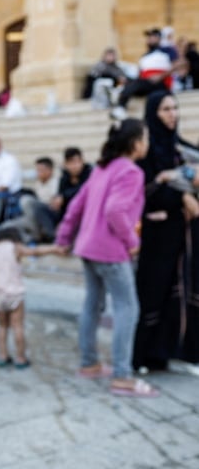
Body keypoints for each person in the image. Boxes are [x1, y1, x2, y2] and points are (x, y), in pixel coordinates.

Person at [56, 118, 159, 397]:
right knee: (128, 308)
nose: (147, 143)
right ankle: (123, 376)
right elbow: (115, 211)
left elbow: (77, 204)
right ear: (136, 143)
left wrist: (64, 236)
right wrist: (132, 241)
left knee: (93, 305)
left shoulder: (102, 168)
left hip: (88, 247)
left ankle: (89, 364)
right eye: (145, 138)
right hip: (110, 250)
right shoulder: (131, 171)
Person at [133, 91, 199, 372]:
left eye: (175, 108)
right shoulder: (146, 153)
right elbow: (145, 193)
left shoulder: (181, 148)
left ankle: (177, 349)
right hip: (158, 236)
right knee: (154, 292)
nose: (172, 114)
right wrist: (182, 197)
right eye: (165, 110)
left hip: (184, 234)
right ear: (153, 115)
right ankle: (146, 355)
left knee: (182, 291)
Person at [0, 227, 58, 368]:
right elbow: (35, 251)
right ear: (15, 238)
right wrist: (55, 248)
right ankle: (20, 358)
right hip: (14, 294)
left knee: (2, 326)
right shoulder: (16, 248)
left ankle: (3, 356)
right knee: (17, 326)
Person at [111, 28, 174, 120]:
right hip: (145, 83)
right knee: (129, 81)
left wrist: (160, 76)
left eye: (152, 37)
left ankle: (120, 105)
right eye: (148, 37)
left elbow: (180, 63)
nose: (150, 39)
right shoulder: (144, 56)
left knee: (138, 83)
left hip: (160, 84)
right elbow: (140, 74)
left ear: (159, 38)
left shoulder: (167, 51)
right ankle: (119, 94)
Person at [0, 157, 59, 243]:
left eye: (41, 170)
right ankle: (30, 238)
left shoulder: (57, 183)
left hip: (47, 216)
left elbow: (53, 205)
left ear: (50, 170)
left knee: (26, 201)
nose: (38, 173)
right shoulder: (38, 183)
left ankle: (38, 234)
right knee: (6, 226)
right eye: (37, 170)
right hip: (33, 217)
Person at [52, 147, 92, 220]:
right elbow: (60, 195)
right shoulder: (64, 178)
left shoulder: (89, 174)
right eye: (71, 163)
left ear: (82, 161)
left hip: (86, 214)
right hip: (68, 216)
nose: (75, 166)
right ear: (65, 164)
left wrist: (64, 197)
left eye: (77, 162)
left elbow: (84, 190)